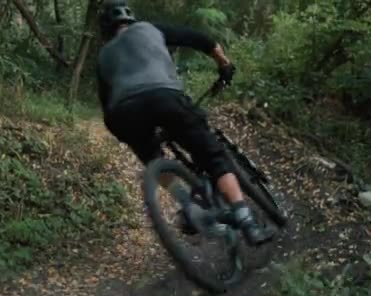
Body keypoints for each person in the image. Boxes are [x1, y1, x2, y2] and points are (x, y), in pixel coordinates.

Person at [96, 0, 275, 245]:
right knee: (213, 156)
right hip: (165, 97)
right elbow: (200, 39)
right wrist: (224, 63)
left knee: (153, 158)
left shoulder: (104, 55)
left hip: (123, 114)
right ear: (131, 19)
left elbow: (106, 105)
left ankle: (187, 205)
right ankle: (247, 222)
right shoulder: (150, 29)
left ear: (105, 30)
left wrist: (128, 134)